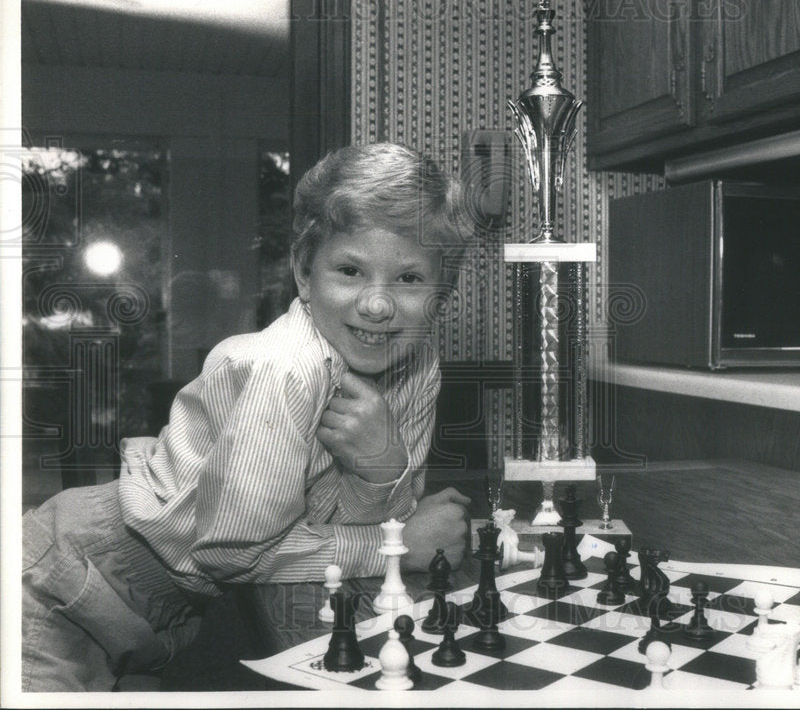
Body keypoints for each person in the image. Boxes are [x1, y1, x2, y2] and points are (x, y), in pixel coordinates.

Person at [22, 143, 475, 691]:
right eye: (350, 270)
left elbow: (375, 521)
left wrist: (383, 465)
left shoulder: (418, 363)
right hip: (62, 582)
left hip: (162, 614)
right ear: (304, 274)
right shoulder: (284, 369)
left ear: (442, 295)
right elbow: (234, 552)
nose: (377, 304)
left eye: (409, 279)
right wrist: (394, 544)